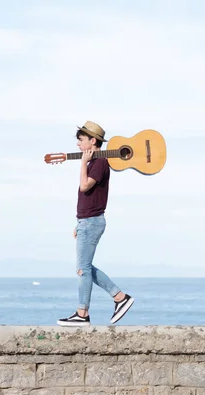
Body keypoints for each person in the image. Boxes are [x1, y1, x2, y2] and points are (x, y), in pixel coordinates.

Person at [57, 121, 134, 327]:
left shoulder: (99, 163)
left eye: (81, 141)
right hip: (87, 221)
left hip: (91, 222)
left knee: (82, 269)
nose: (78, 146)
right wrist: (79, 223)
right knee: (85, 267)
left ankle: (82, 313)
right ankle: (120, 298)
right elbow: (90, 197)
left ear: (92, 141)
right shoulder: (95, 162)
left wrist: (82, 163)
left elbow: (84, 187)